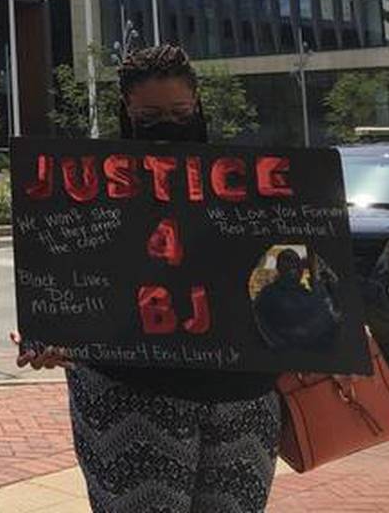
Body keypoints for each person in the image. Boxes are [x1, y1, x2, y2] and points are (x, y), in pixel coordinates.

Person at [16, 44, 281, 513]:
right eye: (151, 115)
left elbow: (288, 271)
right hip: (131, 399)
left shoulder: (253, 182)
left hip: (243, 399)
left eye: (179, 111)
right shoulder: (85, 185)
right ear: (126, 112)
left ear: (198, 105)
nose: (169, 123)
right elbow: (63, 281)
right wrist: (49, 329)